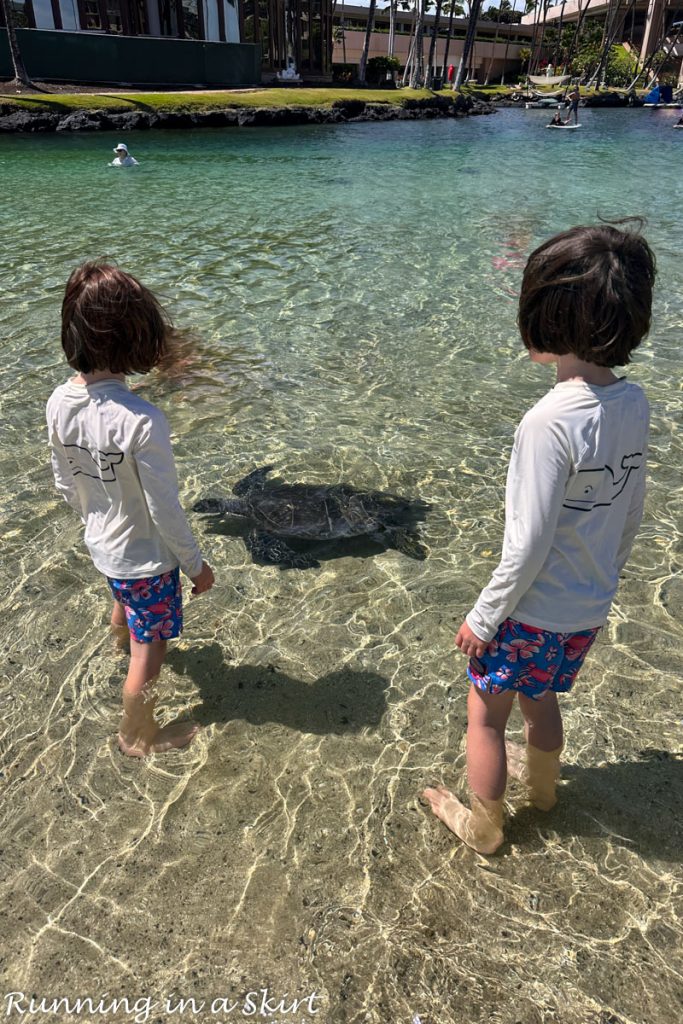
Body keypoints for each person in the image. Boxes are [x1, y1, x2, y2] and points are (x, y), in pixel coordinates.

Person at [423, 222, 655, 854]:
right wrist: (604, 582)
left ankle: (488, 826)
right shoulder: (634, 404)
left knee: (485, 718)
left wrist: (482, 615)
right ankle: (546, 794)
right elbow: (632, 508)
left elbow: (525, 545)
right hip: (585, 607)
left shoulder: (547, 422)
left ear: (543, 317)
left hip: (527, 613)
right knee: (541, 698)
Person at [46, 263, 215, 758]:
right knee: (151, 652)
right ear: (136, 337)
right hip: (145, 557)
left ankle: (117, 642)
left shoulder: (58, 401)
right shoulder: (141, 421)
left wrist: (96, 520)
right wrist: (194, 564)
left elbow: (63, 480)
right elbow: (166, 512)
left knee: (123, 601)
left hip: (102, 544)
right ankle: (136, 735)